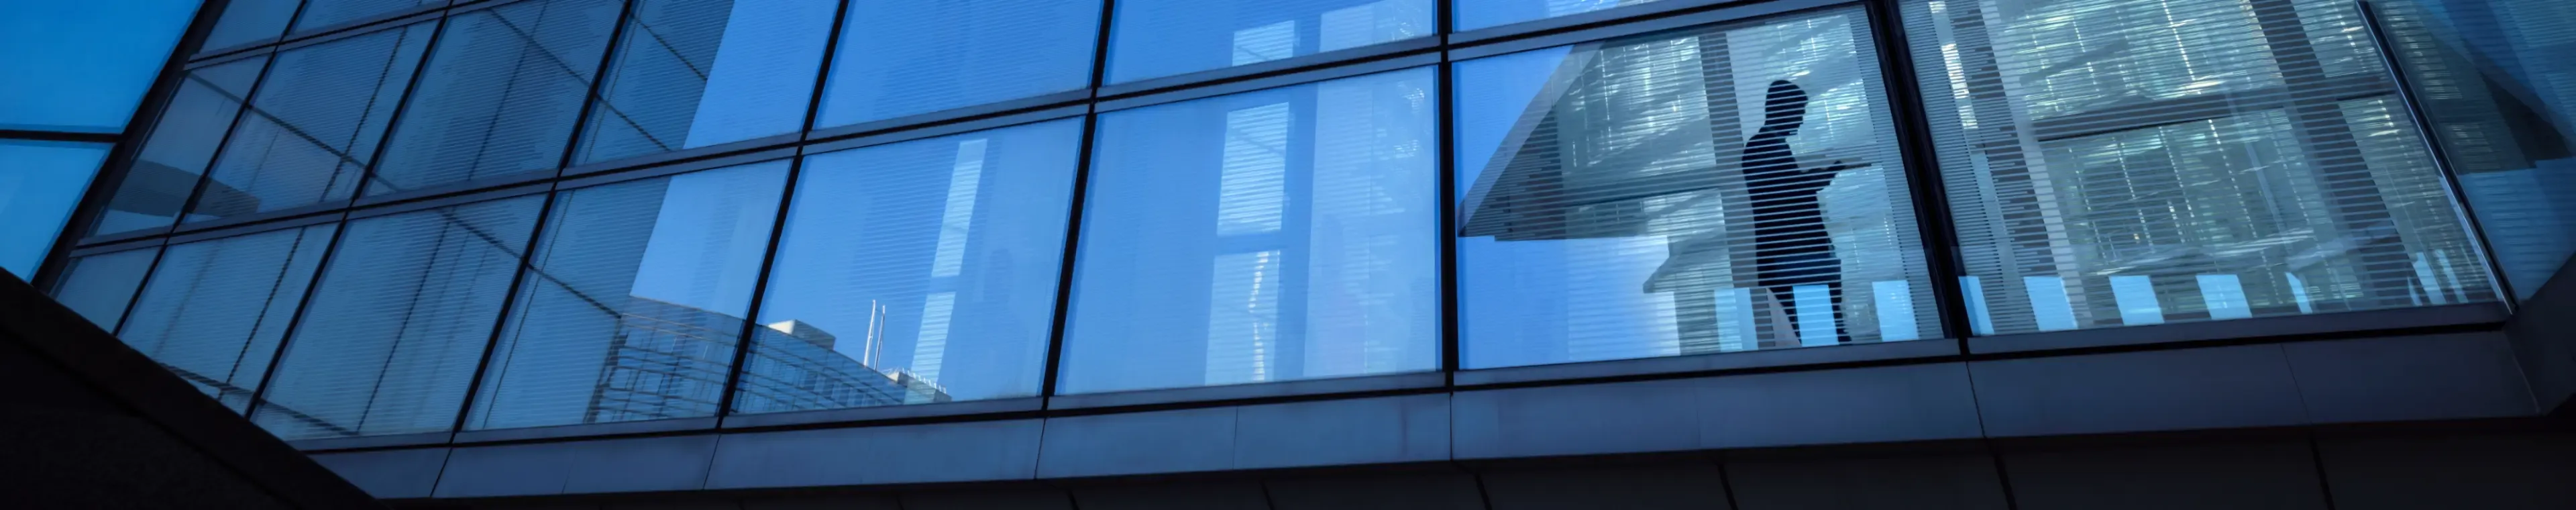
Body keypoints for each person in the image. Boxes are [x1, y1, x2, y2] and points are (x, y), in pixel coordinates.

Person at [1740, 79, 1852, 344]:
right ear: (1780, 109)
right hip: (1796, 258)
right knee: (1824, 332)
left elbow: (1786, 191)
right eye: (1798, 113)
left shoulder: (1769, 146)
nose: (1800, 121)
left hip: (1798, 258)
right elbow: (1784, 197)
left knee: (1824, 329)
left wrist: (1813, 178)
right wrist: (1819, 177)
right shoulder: (1763, 147)